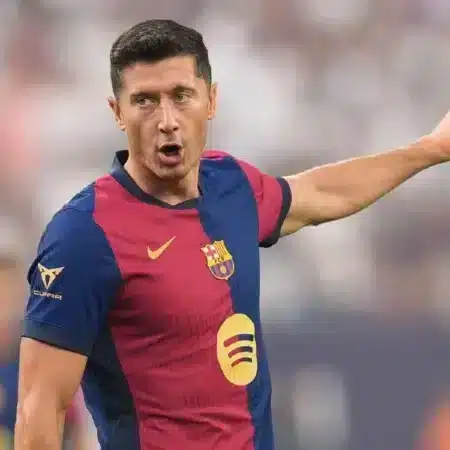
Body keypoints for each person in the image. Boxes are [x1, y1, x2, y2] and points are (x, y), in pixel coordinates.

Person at [15, 19, 450, 450]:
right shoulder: (83, 235)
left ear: (211, 100)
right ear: (117, 112)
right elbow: (39, 410)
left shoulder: (231, 185)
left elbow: (323, 192)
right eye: (145, 101)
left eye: (181, 96)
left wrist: (431, 148)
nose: (167, 120)